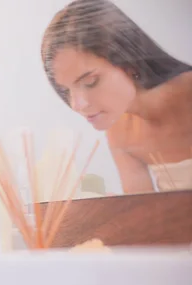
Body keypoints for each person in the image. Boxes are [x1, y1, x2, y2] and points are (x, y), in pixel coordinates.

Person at [41, 0, 192, 194]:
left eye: (90, 82)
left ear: (127, 61)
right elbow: (141, 214)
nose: (78, 104)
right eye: (66, 91)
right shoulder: (120, 133)